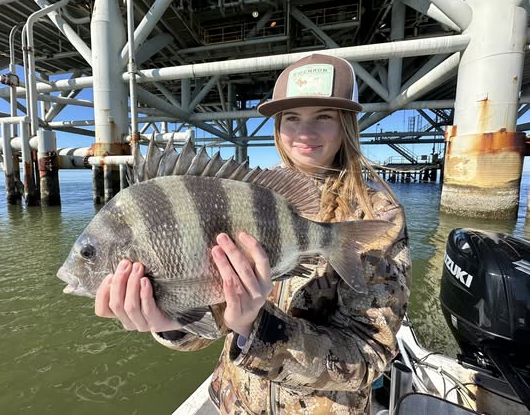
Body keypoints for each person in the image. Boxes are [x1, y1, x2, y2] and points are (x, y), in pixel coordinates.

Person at [95, 54, 411, 414]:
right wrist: (170, 321)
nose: (305, 132)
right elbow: (213, 323)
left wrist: (254, 326)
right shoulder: (246, 193)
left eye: (323, 116)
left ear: (346, 124)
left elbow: (370, 354)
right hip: (234, 404)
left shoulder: (378, 216)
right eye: (291, 118)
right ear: (277, 125)